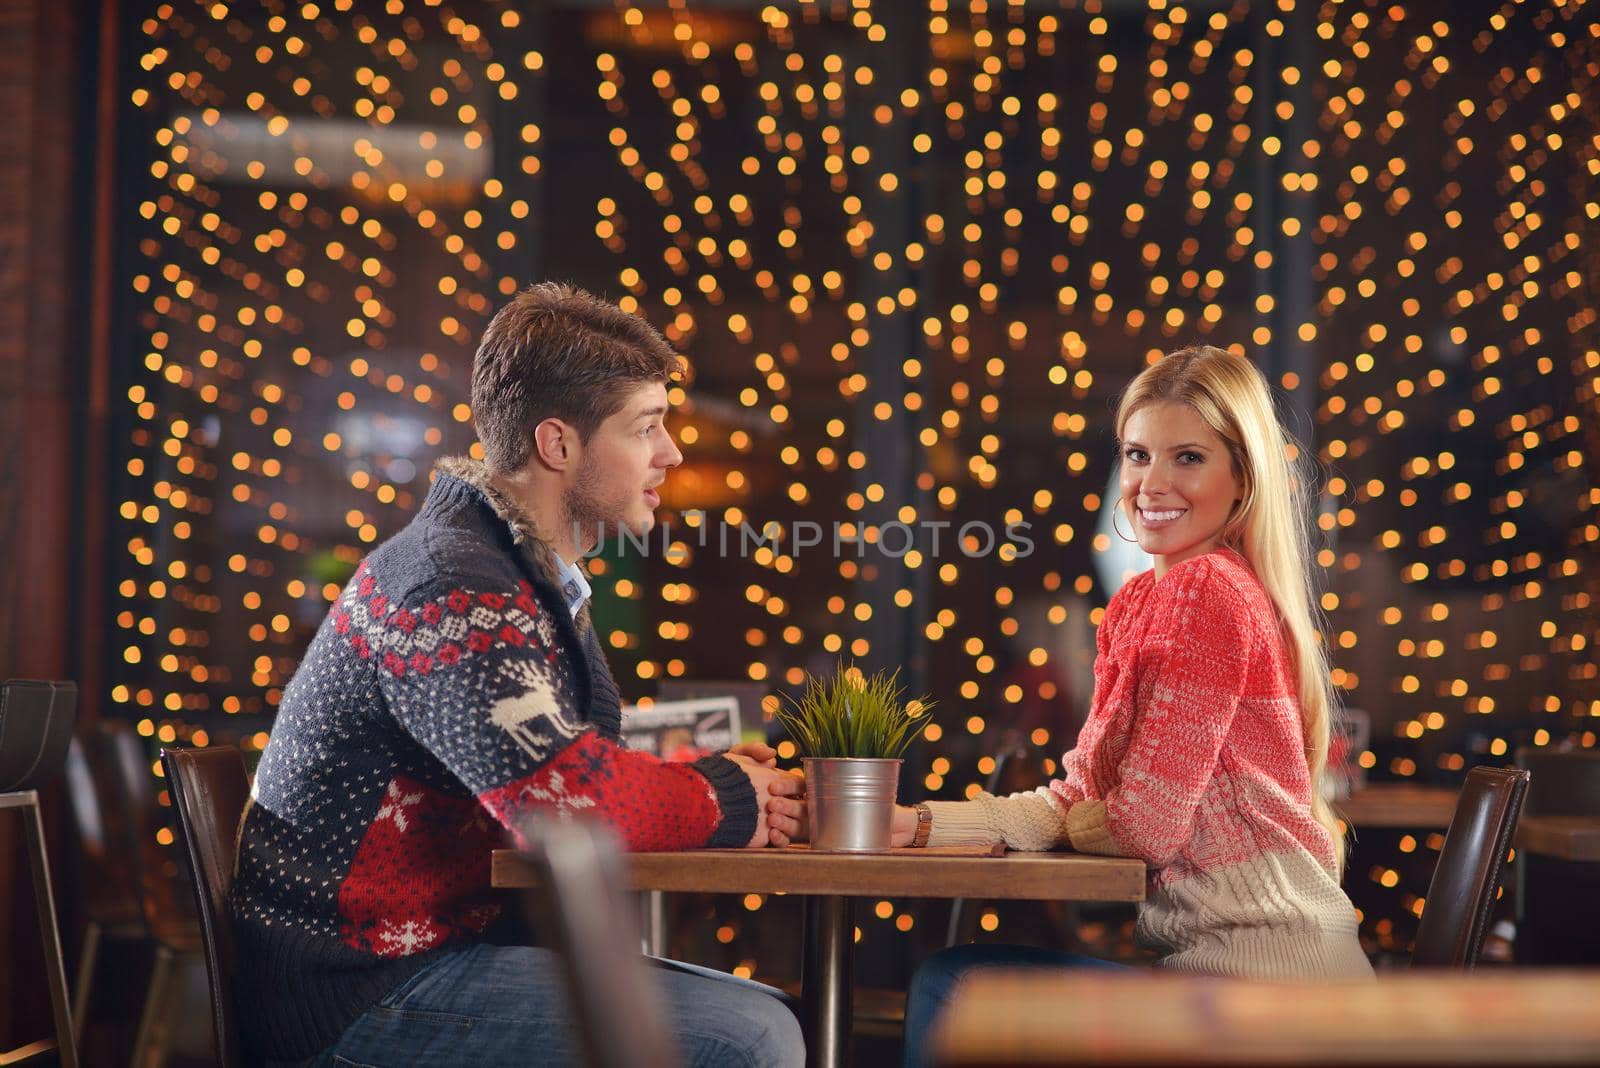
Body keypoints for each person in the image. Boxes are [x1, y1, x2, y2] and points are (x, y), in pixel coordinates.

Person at [233, 282, 806, 1067]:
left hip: (428, 957)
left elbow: (552, 763)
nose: (671, 453)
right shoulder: (452, 589)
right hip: (356, 994)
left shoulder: (507, 571)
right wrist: (728, 797)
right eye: (646, 428)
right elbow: (558, 802)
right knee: (749, 1036)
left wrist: (707, 777)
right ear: (558, 445)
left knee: (767, 1013)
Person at [770, 344, 1374, 1067]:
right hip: (1233, 977)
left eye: (1188, 458)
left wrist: (1091, 815)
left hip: (1269, 988)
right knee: (958, 978)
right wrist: (914, 824)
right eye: (1137, 454)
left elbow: (1142, 826)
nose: (1151, 482)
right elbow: (1078, 800)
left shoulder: (1205, 591)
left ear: (1242, 479)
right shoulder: (1141, 604)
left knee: (959, 985)